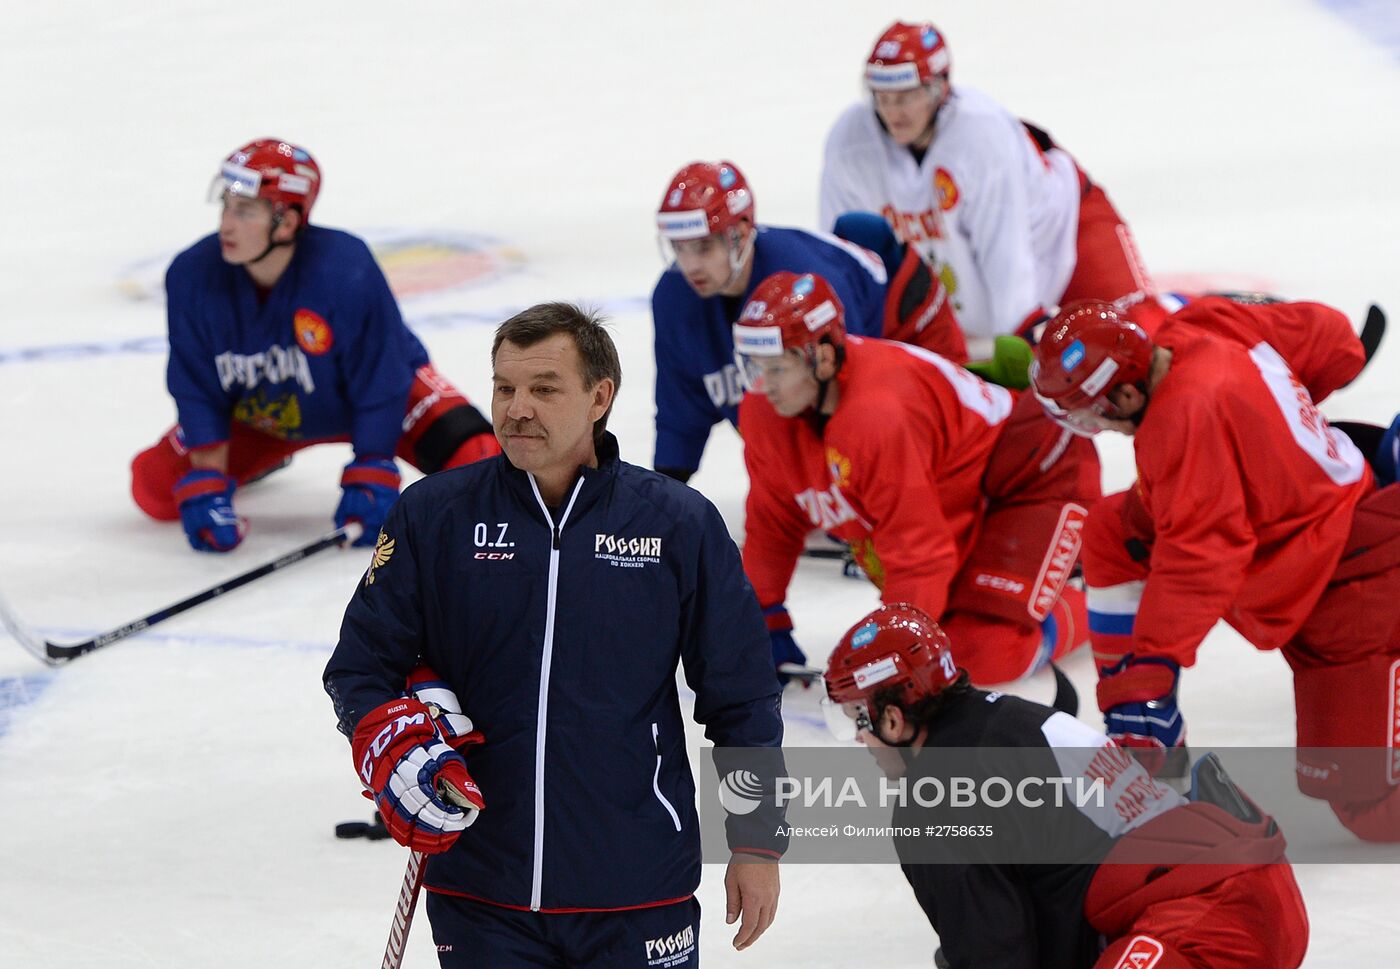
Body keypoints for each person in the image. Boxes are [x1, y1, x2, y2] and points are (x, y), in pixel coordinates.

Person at [323, 303, 787, 967]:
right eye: (504, 387)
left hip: (638, 886)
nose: (516, 409)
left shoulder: (676, 525)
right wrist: (388, 739)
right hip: (482, 892)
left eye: (543, 388)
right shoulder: (435, 516)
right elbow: (360, 667)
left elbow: (741, 697)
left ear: (600, 397)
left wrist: (757, 843)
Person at [1029, 295, 1400, 841]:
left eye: (1092, 415)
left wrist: (1152, 672)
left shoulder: (1184, 423)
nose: (1098, 428)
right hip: (1323, 508)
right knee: (1113, 531)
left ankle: (1142, 708)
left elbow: (1200, 562)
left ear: (1127, 393)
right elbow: (1333, 339)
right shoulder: (1202, 325)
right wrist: (1265, 418)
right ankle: (1142, 736)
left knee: (1372, 809)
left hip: (1347, 581)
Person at [822, 603, 1309, 969]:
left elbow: (997, 955)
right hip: (1259, 901)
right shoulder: (1013, 716)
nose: (858, 739)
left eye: (855, 720)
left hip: (1199, 932)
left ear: (891, 717)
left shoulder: (932, 800)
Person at [129, 138, 500, 552]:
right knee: (154, 489)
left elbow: (383, 376)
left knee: (485, 464)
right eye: (226, 207)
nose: (225, 225)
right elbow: (196, 384)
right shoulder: (191, 275)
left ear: (286, 223)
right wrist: (209, 481)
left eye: (244, 211)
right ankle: (258, 465)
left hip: (375, 401)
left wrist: (373, 466)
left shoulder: (347, 269)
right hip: (267, 414)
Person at [734, 270, 1101, 686]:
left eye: (777, 369)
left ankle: (1098, 599)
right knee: (937, 642)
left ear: (822, 357)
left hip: (1037, 472)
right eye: (755, 367)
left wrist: (890, 660)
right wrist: (763, 616)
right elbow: (772, 520)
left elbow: (919, 554)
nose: (764, 386)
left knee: (983, 653)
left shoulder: (876, 414)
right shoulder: (765, 410)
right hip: (959, 498)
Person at [819, 20, 1169, 358]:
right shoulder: (850, 142)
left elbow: (1006, 248)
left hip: (1066, 232)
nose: (892, 112)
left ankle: (1177, 311)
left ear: (939, 88)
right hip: (973, 274)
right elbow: (842, 255)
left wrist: (1020, 333)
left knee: (1138, 341)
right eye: (881, 97)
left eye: (906, 97)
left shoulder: (980, 136)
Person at [653, 159, 966, 483]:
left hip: (911, 335)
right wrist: (660, 503)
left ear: (741, 234)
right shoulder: (672, 297)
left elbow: (852, 399)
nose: (690, 266)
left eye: (703, 247)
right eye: (679, 248)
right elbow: (680, 408)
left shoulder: (813, 286)